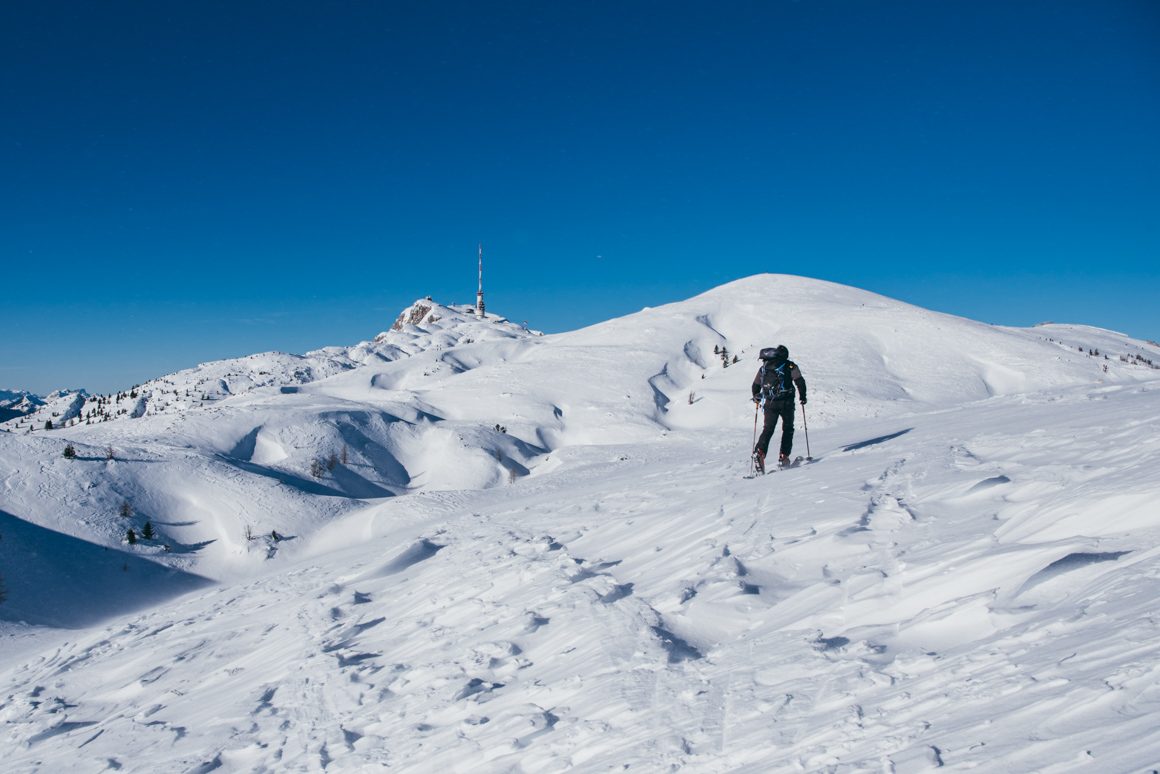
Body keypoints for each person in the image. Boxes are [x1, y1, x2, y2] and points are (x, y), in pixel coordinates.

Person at [751, 345, 807, 472]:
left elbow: (755, 385)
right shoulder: (789, 366)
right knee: (787, 429)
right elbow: (800, 381)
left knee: (768, 430)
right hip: (786, 402)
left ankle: (760, 452)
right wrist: (802, 397)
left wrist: (756, 396)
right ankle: (784, 456)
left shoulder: (764, 368)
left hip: (770, 403)